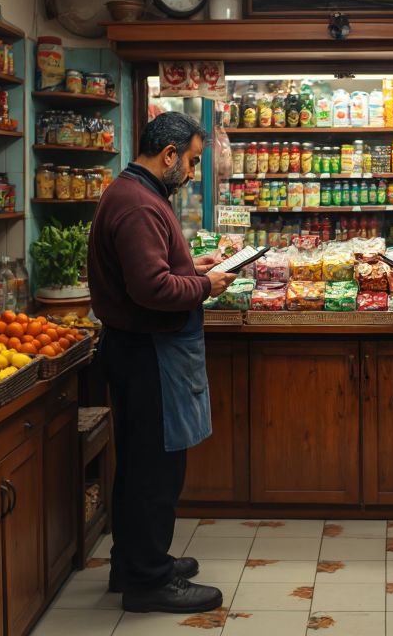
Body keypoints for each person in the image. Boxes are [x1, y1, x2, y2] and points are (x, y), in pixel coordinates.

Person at [88, 111, 236, 613]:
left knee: (139, 465)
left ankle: (134, 563)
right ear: (169, 154)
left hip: (139, 349)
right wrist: (205, 285)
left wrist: (190, 267)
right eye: (191, 161)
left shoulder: (135, 193)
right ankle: (148, 582)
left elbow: (153, 270)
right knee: (155, 472)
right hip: (148, 352)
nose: (192, 172)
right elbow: (151, 289)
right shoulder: (138, 205)